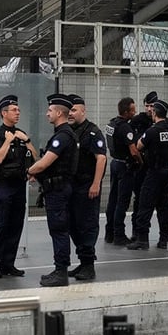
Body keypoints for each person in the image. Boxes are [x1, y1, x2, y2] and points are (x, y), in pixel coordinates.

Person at [26, 94, 79, 287]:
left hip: (58, 190)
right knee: (58, 229)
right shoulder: (63, 134)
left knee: (58, 230)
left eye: (50, 111)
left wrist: (29, 171)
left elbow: (46, 162)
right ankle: (60, 269)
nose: (47, 113)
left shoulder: (63, 136)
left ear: (58, 113)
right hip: (57, 188)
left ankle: (61, 271)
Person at [0, 95, 37, 279]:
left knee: (16, 225)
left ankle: (8, 263)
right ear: (3, 113)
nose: (18, 113)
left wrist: (27, 139)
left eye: (18, 110)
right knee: (1, 226)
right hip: (4, 185)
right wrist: (8, 140)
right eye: (14, 110)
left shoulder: (21, 133)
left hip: (19, 185)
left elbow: (36, 157)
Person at [66, 94, 107, 281]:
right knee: (72, 224)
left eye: (74, 110)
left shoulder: (92, 132)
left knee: (87, 225)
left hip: (87, 185)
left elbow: (101, 158)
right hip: (72, 186)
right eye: (68, 111)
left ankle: (89, 265)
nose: (70, 114)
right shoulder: (68, 131)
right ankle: (83, 261)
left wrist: (96, 183)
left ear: (83, 111)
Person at [128, 99, 168, 250]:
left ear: (155, 113)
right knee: (165, 206)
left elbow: (139, 146)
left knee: (145, 204)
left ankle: (142, 239)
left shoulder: (152, 131)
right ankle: (163, 239)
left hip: (154, 172)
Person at [105, 97, 142, 246]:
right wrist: (140, 161)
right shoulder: (125, 128)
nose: (135, 112)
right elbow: (133, 150)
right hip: (125, 167)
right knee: (122, 201)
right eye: (133, 110)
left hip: (114, 163)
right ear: (126, 112)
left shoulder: (111, 124)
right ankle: (119, 234)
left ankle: (110, 233)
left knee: (113, 199)